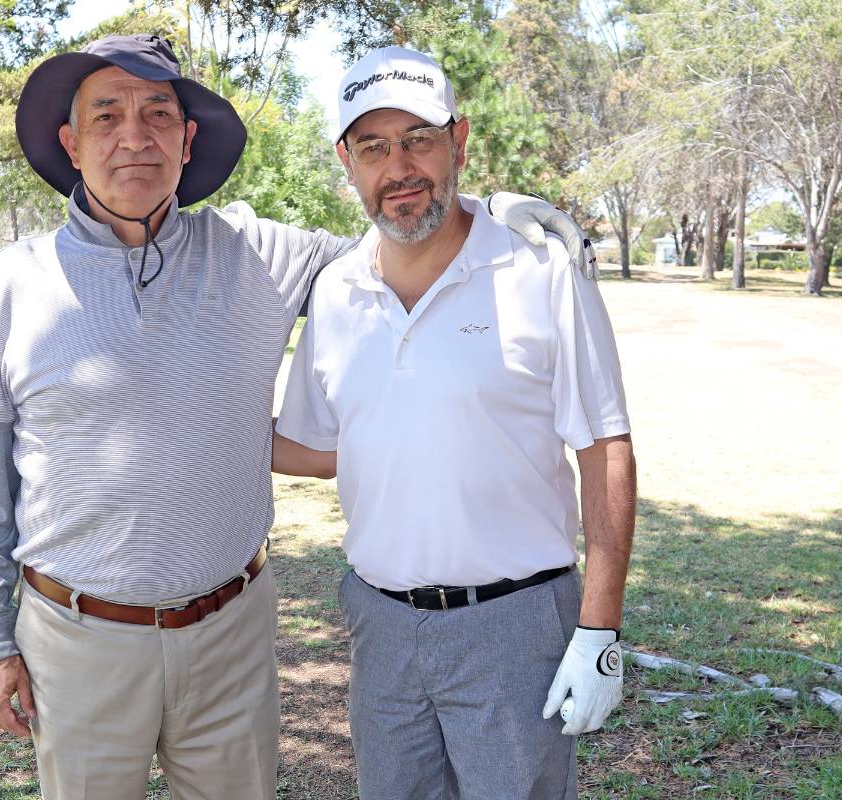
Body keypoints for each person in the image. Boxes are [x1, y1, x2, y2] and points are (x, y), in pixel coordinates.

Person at [0, 34, 594, 800]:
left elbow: (398, 231)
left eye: (159, 114)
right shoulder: (7, 286)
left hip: (230, 636)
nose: (136, 137)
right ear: (70, 141)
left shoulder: (256, 253)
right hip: (77, 638)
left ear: (188, 141)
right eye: (107, 116)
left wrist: (489, 209)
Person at [272, 46, 637, 800]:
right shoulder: (337, 291)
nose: (398, 165)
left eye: (419, 139)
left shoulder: (540, 270)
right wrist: (182, 428)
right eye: (374, 146)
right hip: (382, 630)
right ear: (347, 163)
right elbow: (320, 445)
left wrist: (599, 634)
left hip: (515, 628)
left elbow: (604, 445)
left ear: (459, 143)